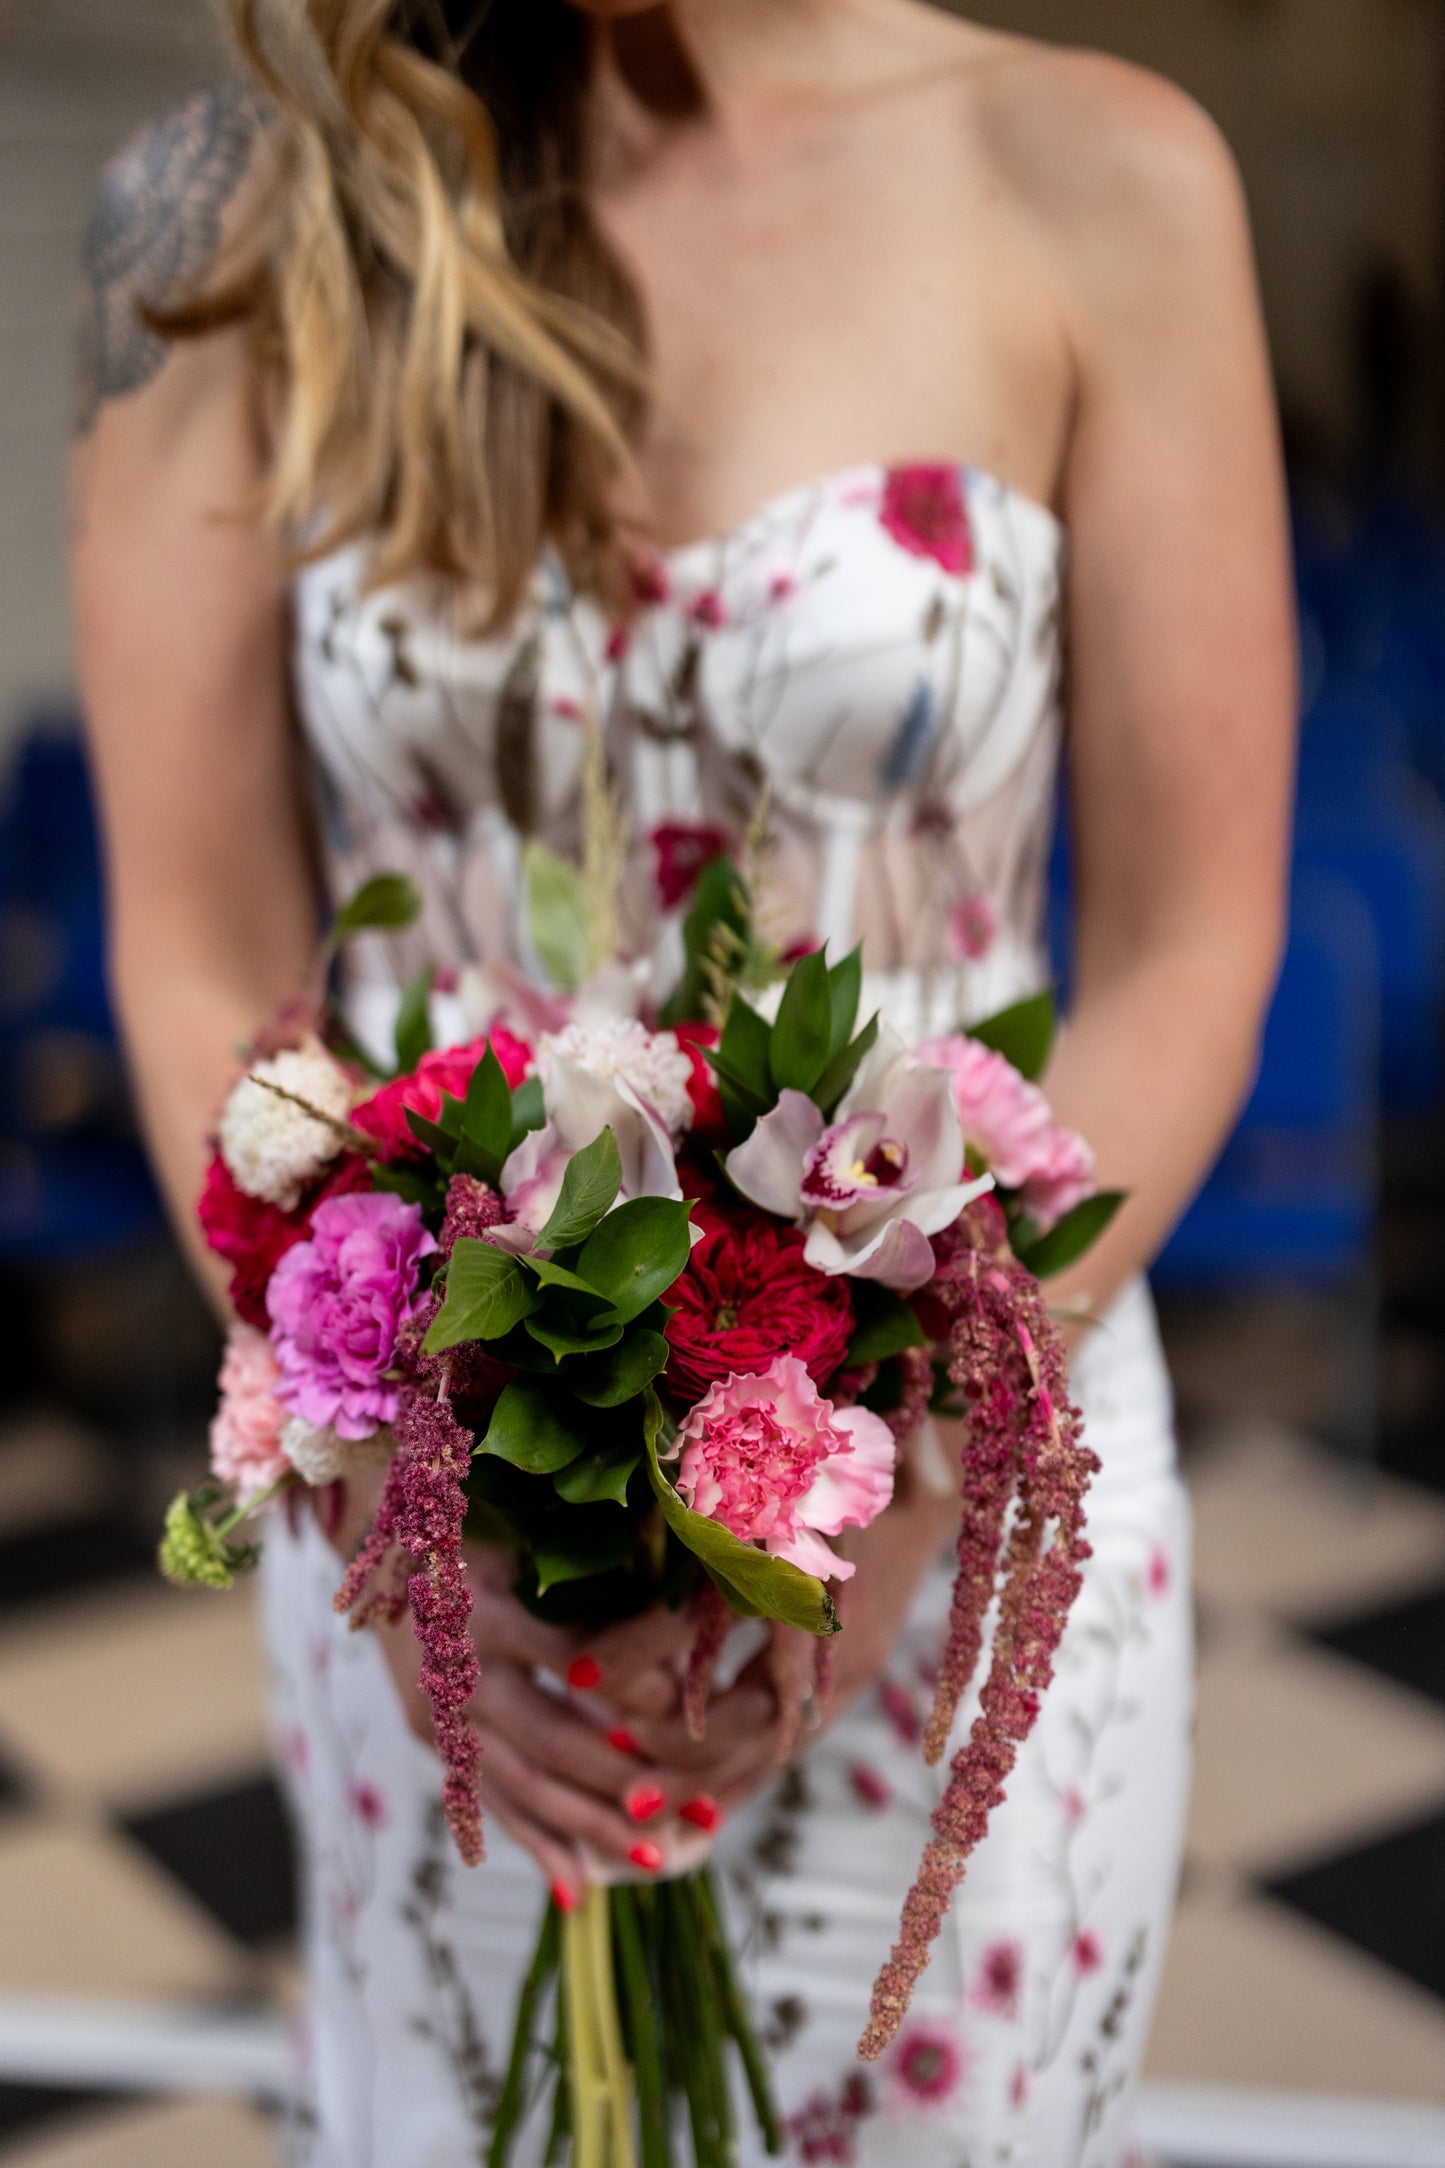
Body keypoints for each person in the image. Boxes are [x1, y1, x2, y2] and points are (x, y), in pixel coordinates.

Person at [71, 2, 1294, 2160]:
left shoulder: (1108, 176)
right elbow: (197, 952)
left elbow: (1195, 945)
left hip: (960, 1522)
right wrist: (388, 1500)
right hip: (439, 1557)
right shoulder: (230, 214)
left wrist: (926, 1455)